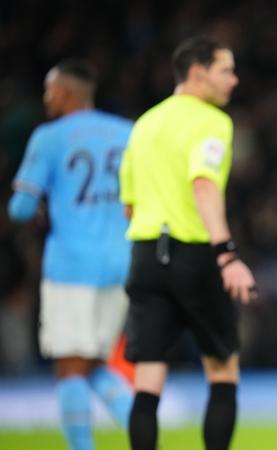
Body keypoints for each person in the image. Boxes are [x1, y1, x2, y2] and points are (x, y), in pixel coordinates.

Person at [119, 35, 257, 450]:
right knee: (222, 372)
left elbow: (128, 205)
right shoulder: (212, 121)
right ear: (197, 73)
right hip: (195, 254)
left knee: (147, 381)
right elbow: (203, 185)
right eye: (225, 70)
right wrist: (226, 254)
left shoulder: (144, 124)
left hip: (145, 254)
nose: (234, 80)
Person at [8, 59, 135, 450]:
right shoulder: (127, 133)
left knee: (70, 368)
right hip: (120, 262)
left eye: (49, 91)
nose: (46, 98)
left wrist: (35, 202)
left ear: (64, 92)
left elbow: (21, 209)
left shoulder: (50, 138)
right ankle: (146, 436)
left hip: (72, 264)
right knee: (95, 365)